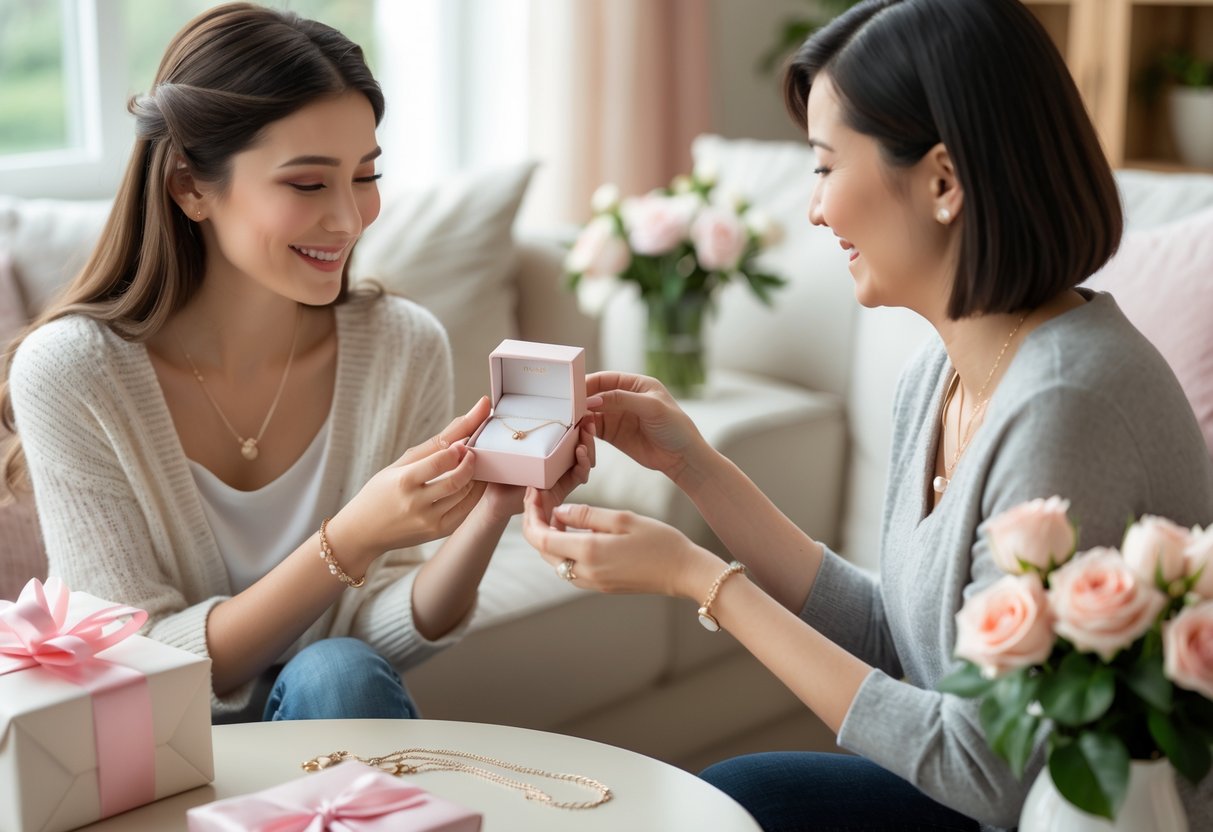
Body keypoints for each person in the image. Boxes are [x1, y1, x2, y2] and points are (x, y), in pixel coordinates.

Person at [522, 0, 1213, 828]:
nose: (813, 208)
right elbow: (903, 644)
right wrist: (692, 466)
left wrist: (697, 579)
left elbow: (984, 770)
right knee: (727, 798)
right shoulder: (941, 373)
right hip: (991, 799)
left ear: (943, 181)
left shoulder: (1066, 404)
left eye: (822, 166)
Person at [0, 2, 592, 724]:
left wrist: (495, 503)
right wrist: (353, 536)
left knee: (339, 670)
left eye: (365, 175)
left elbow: (377, 635)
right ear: (189, 186)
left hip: (334, 717)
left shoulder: (403, 345)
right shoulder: (71, 373)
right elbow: (136, 655)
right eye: (308, 184)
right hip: (145, 743)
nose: (348, 218)